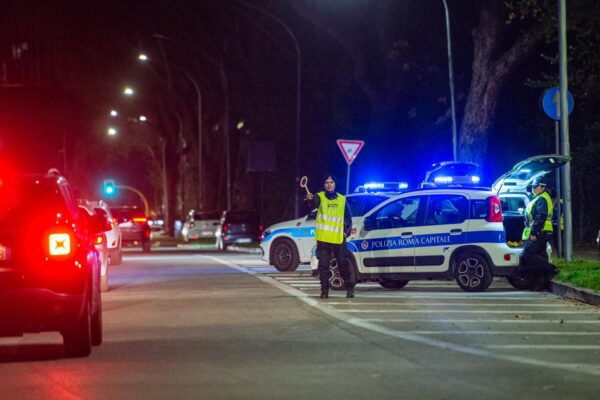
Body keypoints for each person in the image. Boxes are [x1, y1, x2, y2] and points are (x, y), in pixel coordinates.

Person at [305, 174, 355, 299]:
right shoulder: (319, 197)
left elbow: (348, 218)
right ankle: (324, 291)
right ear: (324, 185)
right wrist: (310, 199)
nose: (329, 184)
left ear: (335, 184)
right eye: (327, 182)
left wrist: (346, 232)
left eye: (331, 182)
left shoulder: (342, 199)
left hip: (338, 238)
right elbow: (313, 204)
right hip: (323, 239)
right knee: (323, 266)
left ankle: (350, 288)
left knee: (343, 264)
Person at [519, 178, 559, 289]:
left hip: (540, 231)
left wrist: (534, 233)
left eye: (535, 186)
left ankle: (551, 269)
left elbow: (540, 217)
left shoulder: (542, 198)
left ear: (542, 187)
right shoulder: (539, 198)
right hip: (543, 231)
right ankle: (541, 284)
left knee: (527, 255)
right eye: (532, 186)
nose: (533, 188)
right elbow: (535, 214)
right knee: (541, 256)